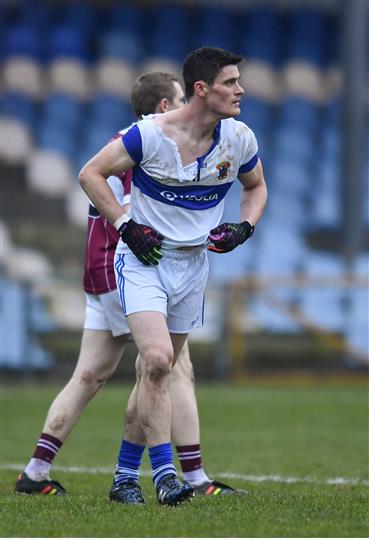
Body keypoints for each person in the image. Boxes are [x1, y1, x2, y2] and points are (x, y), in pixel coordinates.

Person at [14, 72, 238, 501]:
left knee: (91, 374)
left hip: (98, 268)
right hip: (130, 267)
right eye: (178, 100)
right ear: (163, 107)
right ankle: (180, 476)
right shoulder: (151, 143)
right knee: (165, 366)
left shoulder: (125, 140)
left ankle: (35, 470)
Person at [78, 47, 268, 506]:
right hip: (143, 262)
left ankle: (125, 477)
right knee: (160, 361)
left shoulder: (239, 138)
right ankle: (166, 476)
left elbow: (256, 187)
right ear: (201, 89)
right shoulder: (149, 135)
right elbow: (91, 174)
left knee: (153, 373)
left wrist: (245, 227)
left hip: (192, 267)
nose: (240, 90)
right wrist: (127, 225)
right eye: (230, 82)